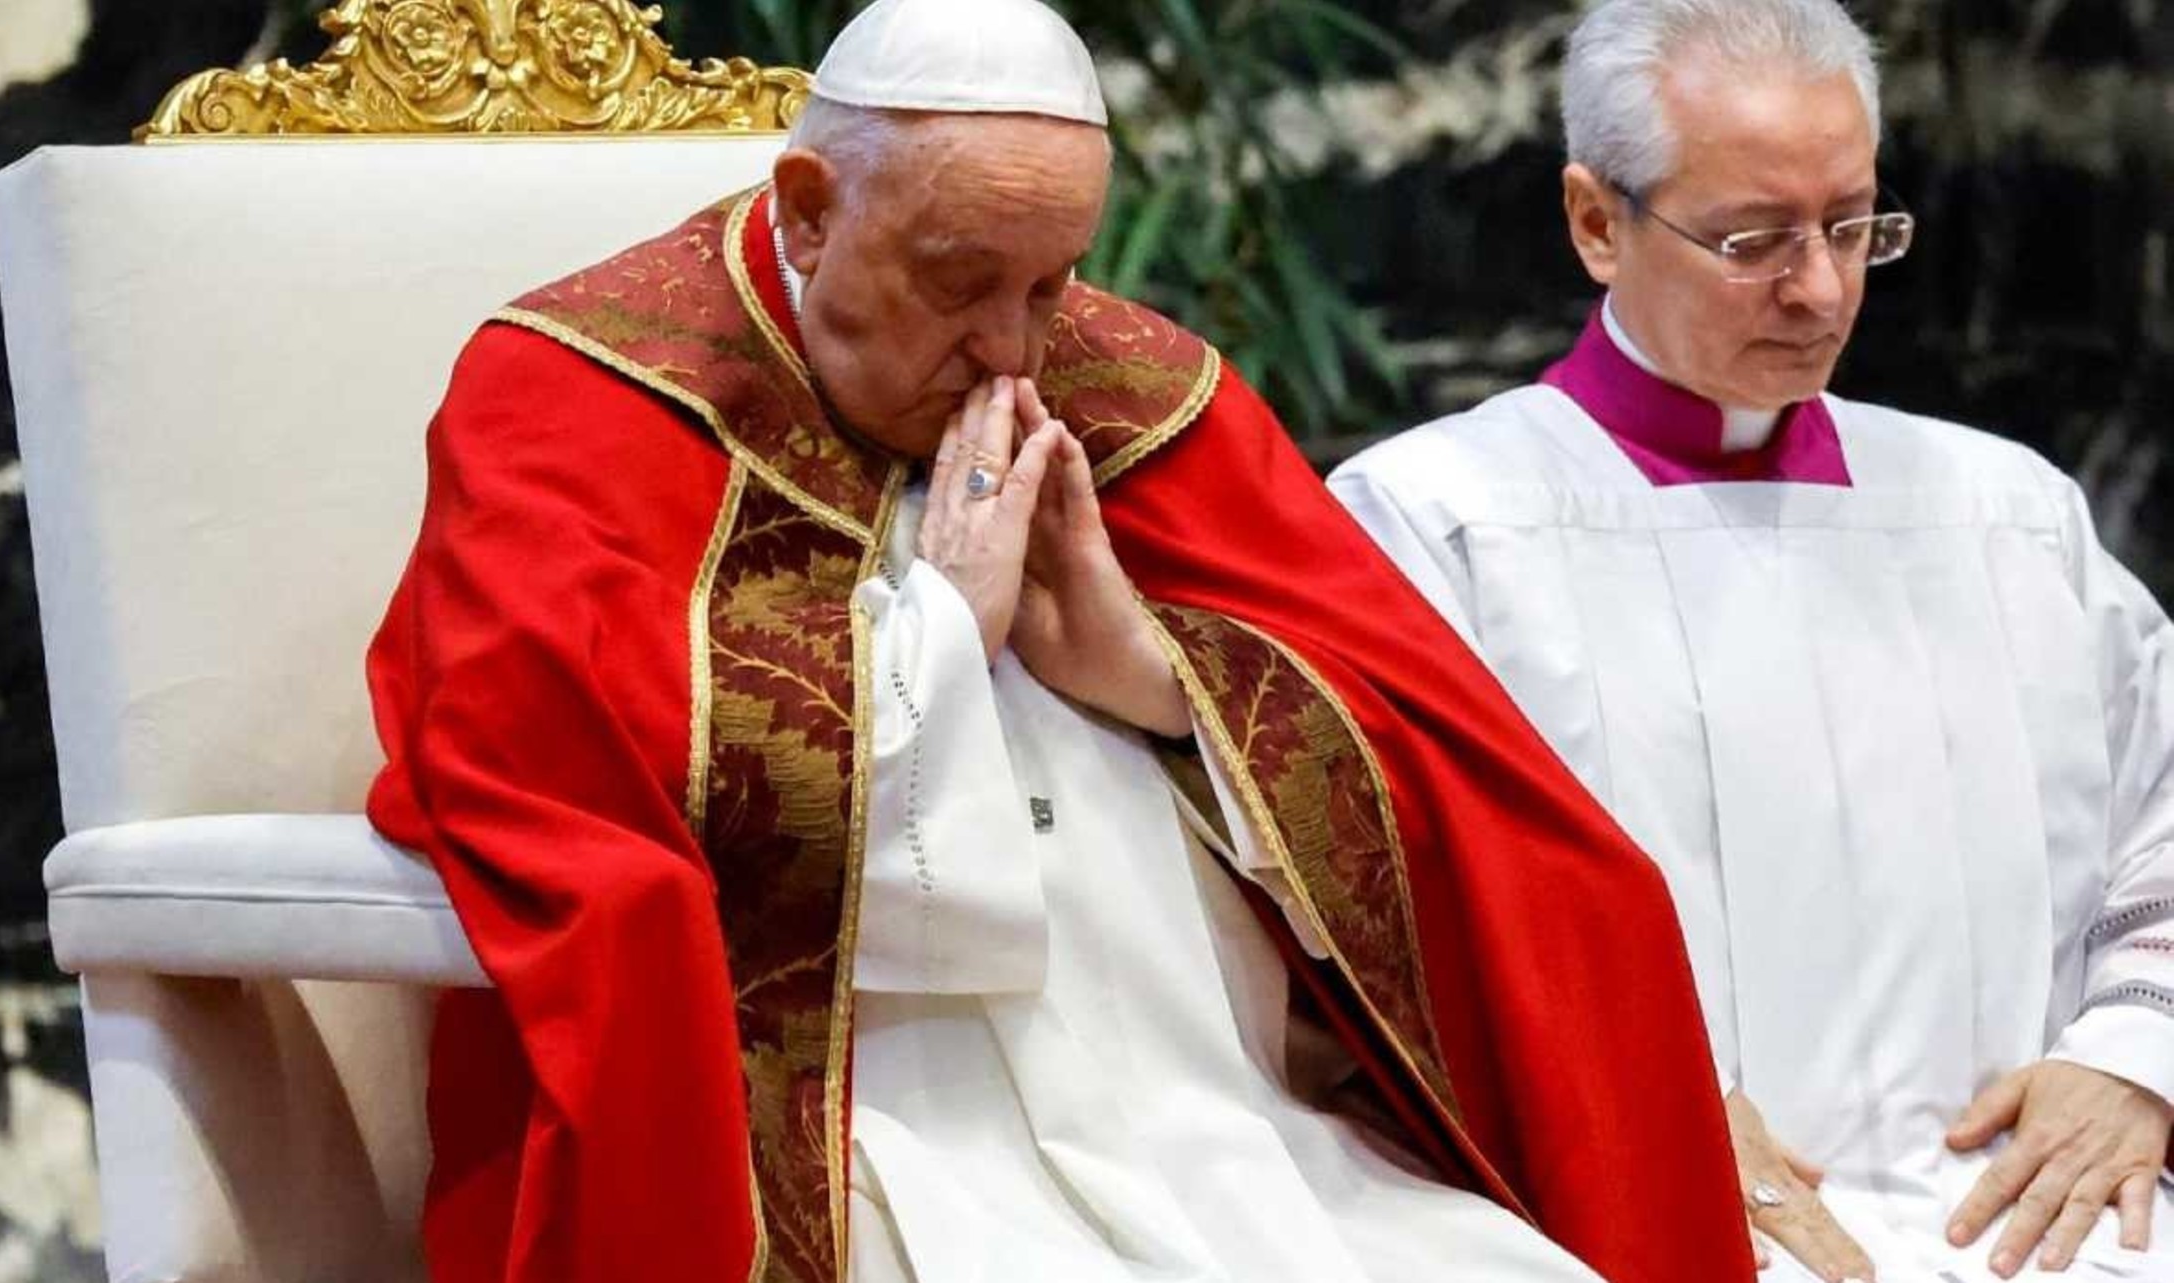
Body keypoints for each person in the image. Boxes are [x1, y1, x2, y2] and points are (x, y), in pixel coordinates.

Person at [363, 0, 1755, 1279]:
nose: (1018, 353)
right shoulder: (577, 399)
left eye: (1054, 282)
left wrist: (1158, 684)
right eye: (961, 280)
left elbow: (1463, 788)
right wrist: (939, 641)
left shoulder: (1128, 389)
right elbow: (552, 779)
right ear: (805, 211)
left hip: (1220, 1131)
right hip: (860, 1150)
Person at [1331, 2, 2174, 1280]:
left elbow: (2162, 806)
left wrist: (2132, 1058)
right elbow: (1384, 915)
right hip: (1629, 1223)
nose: (1823, 289)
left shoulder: (2007, 513)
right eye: (1754, 239)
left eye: (1853, 225)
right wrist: (1618, 1115)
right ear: (1597, 221)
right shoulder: (1435, 528)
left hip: (2048, 1227)